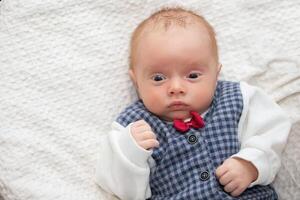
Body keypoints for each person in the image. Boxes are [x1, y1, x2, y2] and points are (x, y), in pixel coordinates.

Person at [95, 7, 291, 200]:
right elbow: (120, 188)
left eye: (193, 75)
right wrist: (130, 152)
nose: (176, 87)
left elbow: (273, 129)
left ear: (216, 74)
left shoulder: (238, 99)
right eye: (158, 78)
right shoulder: (132, 127)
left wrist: (251, 163)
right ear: (136, 80)